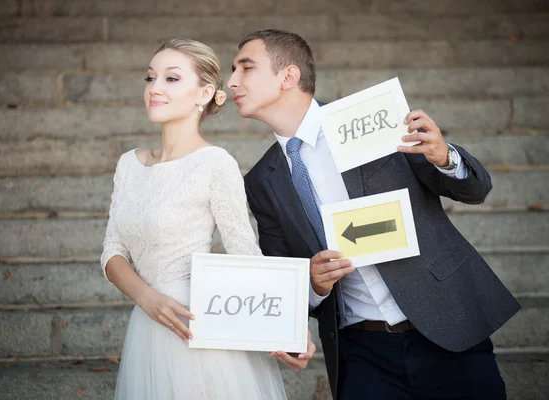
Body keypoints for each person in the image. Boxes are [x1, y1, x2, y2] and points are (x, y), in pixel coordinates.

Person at [228, 29, 521, 399]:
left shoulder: (368, 120)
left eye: (245, 68)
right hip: (361, 353)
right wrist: (315, 285)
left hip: (448, 324)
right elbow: (286, 277)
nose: (232, 81)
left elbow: (475, 189)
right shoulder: (260, 182)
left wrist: (444, 156)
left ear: (288, 76)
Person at [100, 38, 315, 400]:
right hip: (148, 325)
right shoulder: (129, 164)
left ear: (203, 94)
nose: (154, 88)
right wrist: (146, 297)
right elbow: (111, 251)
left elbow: (245, 253)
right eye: (150, 78)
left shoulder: (215, 163)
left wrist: (290, 328)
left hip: (199, 327)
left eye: (171, 79)